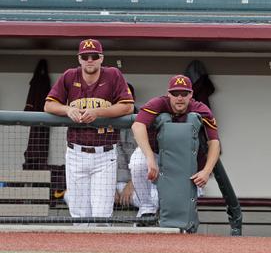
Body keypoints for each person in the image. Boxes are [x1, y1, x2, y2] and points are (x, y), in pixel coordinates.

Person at [44, 39, 134, 220]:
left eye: (94, 56)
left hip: (105, 154)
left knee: (101, 214)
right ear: (79, 59)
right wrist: (67, 109)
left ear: (101, 58)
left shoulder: (113, 75)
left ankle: (100, 248)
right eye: (85, 56)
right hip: (75, 153)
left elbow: (127, 107)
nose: (90, 60)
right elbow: (49, 105)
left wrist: (98, 113)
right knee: (79, 214)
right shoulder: (70, 76)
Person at [130, 74, 220, 220]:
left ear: (191, 94)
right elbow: (137, 126)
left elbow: (214, 142)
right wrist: (150, 158)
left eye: (184, 93)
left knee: (181, 206)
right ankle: (146, 208)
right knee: (137, 163)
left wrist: (206, 171)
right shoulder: (158, 103)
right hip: (156, 151)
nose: (179, 97)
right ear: (168, 93)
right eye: (175, 93)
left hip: (184, 159)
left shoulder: (200, 109)